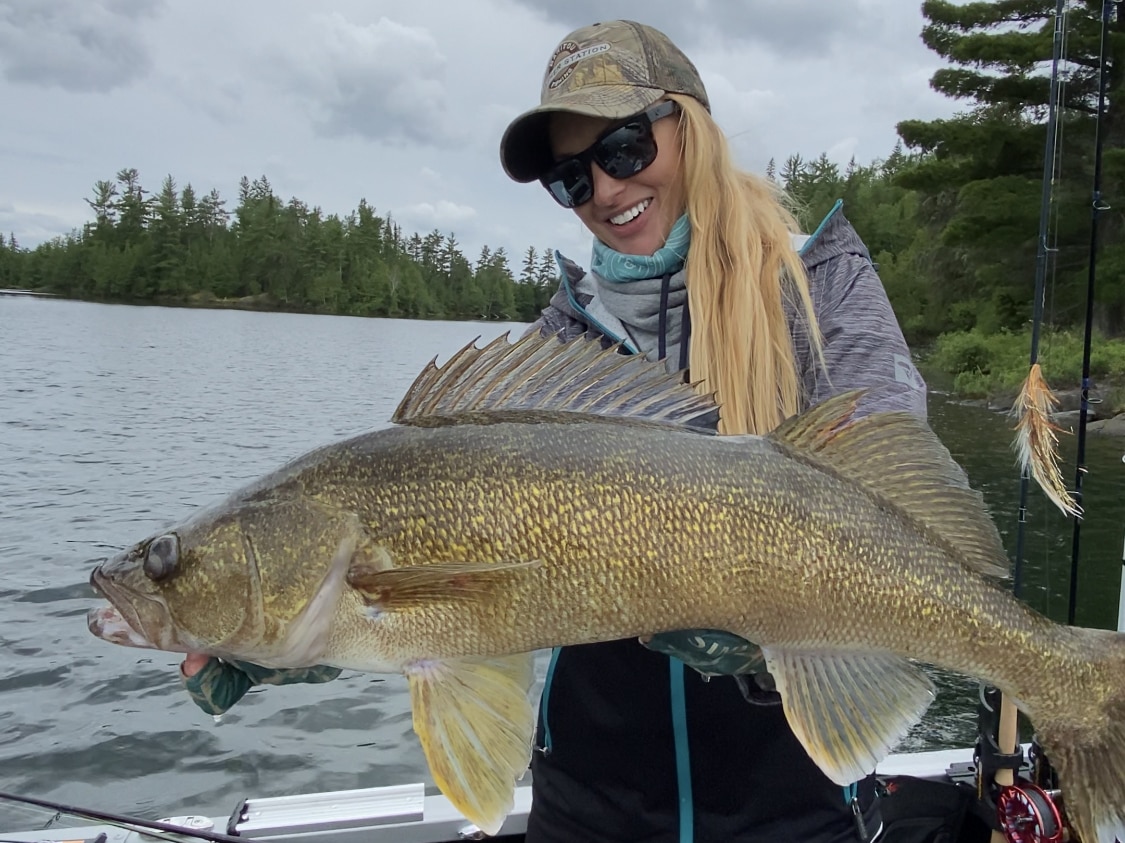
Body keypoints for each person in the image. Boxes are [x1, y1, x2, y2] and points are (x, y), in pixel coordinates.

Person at [181, 18, 929, 843]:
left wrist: (764, 656)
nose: (604, 192)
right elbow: (474, 609)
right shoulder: (562, 340)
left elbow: (893, 499)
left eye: (623, 148)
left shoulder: (817, 278)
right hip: (591, 804)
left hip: (793, 805)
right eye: (571, 178)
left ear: (692, 127)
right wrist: (311, 631)